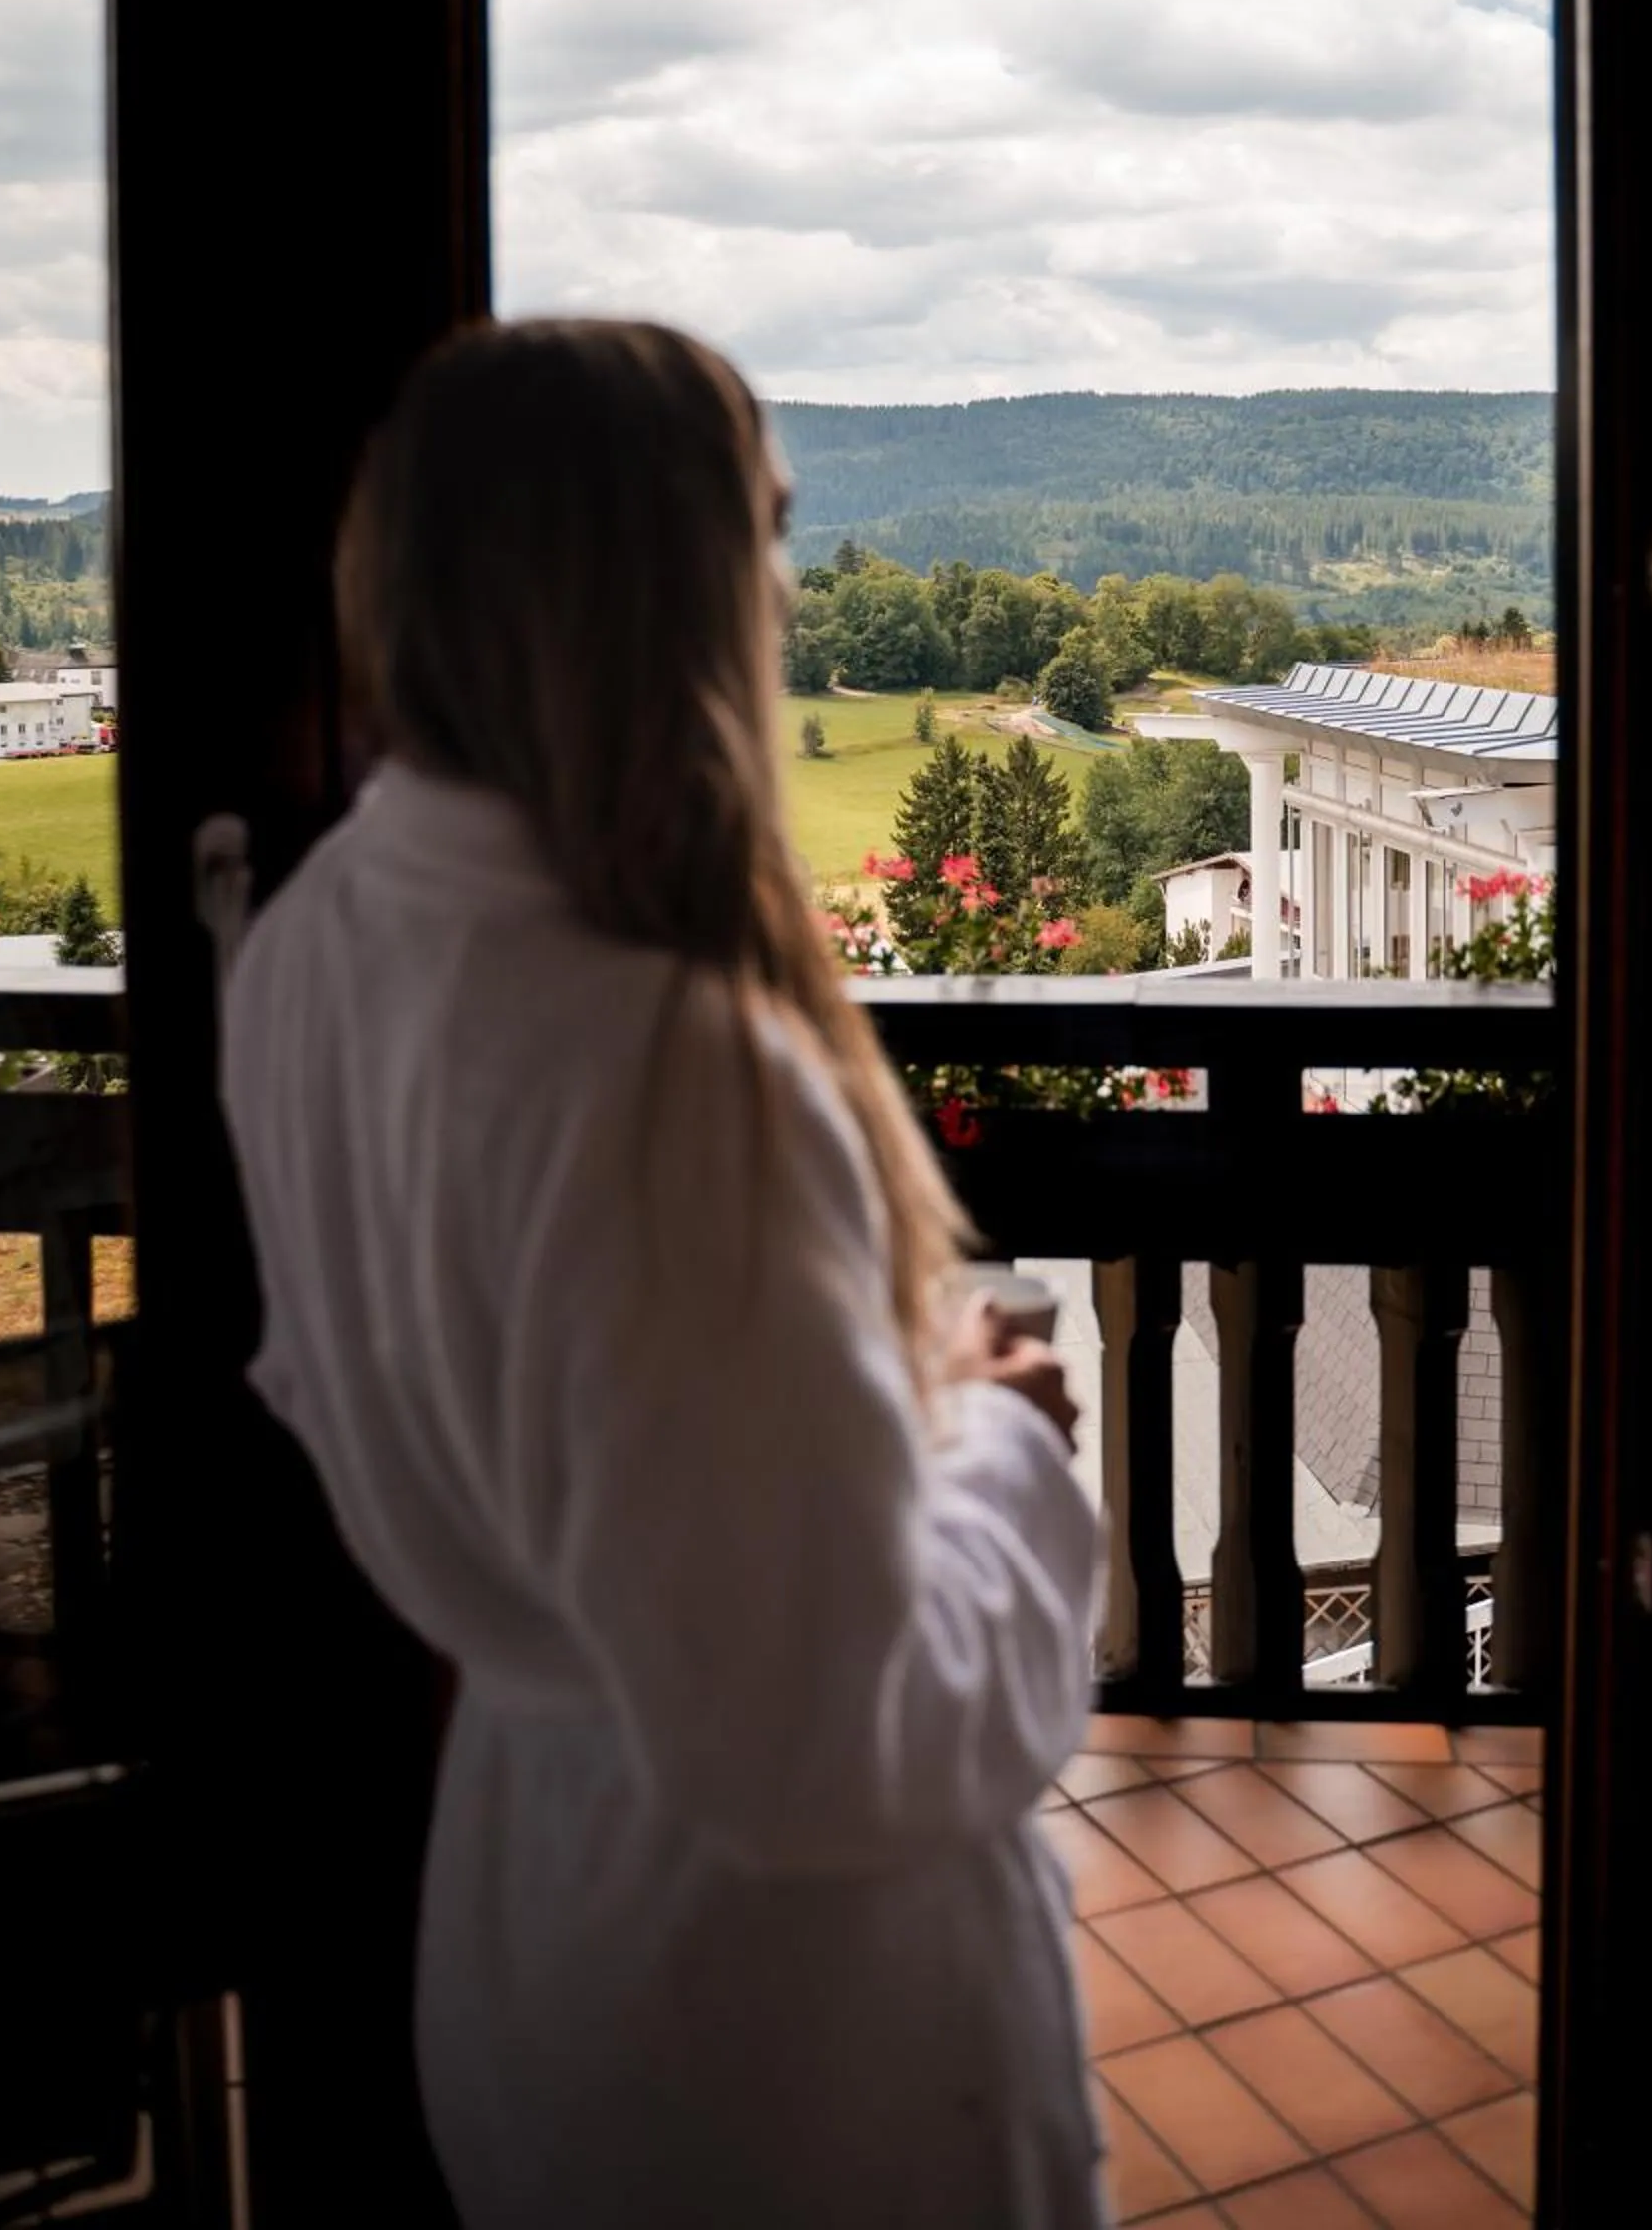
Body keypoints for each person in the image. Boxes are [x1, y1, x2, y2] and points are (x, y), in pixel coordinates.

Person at [219, 319, 1105, 2228]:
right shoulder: (664, 1066)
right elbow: (821, 1735)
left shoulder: (310, 950)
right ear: (673, 585)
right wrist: (999, 1443)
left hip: (530, 1926)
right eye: (767, 534)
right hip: (789, 2046)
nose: (787, 589)